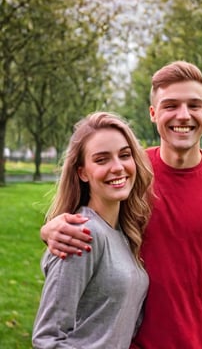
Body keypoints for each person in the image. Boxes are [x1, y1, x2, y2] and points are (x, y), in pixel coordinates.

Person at [40, 61, 202, 349]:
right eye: (170, 105)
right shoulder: (128, 173)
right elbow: (87, 207)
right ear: (153, 113)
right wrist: (51, 228)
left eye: (194, 105)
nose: (183, 115)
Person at [32, 111, 153, 349]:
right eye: (101, 160)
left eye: (124, 155)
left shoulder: (124, 233)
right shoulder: (80, 234)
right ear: (82, 172)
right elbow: (47, 340)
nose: (117, 167)